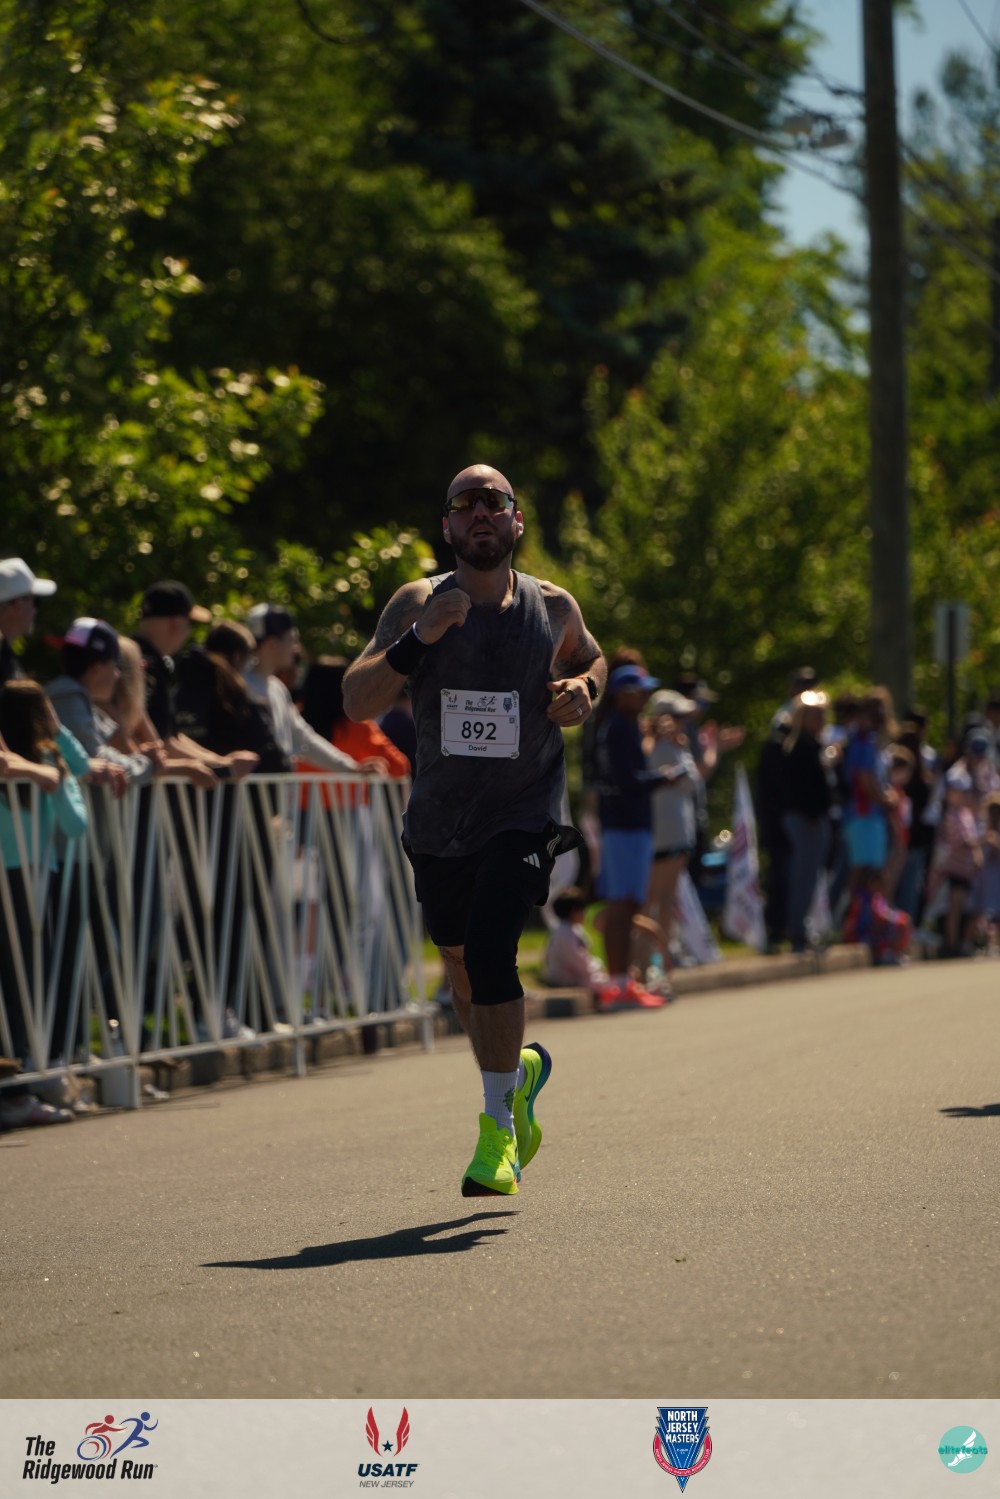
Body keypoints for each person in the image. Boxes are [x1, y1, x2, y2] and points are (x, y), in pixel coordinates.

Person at [343, 462, 606, 1197]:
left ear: (517, 520)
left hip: (524, 812)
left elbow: (592, 659)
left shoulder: (552, 606)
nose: (481, 513)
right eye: (466, 503)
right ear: (448, 526)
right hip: (441, 822)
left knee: (492, 950)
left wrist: (584, 689)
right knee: (460, 966)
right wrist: (419, 638)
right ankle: (517, 1076)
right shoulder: (417, 602)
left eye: (495, 502)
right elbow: (357, 701)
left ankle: (496, 1130)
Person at [593, 664, 674, 1010]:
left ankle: (623, 981)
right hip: (624, 826)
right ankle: (619, 983)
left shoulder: (621, 727)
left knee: (627, 905)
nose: (644, 698)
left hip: (626, 826)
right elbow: (628, 781)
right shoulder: (618, 729)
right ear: (623, 695)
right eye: (640, 692)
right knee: (621, 906)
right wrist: (665, 777)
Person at [643, 689, 699, 965]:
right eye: (678, 716)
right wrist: (681, 749)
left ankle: (657, 958)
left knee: (661, 899)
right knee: (659, 900)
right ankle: (657, 960)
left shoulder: (668, 745)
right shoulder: (662, 747)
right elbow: (692, 783)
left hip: (671, 832)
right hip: (665, 834)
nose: (683, 722)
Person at [780, 691, 833, 952]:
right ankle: (796, 930)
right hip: (804, 820)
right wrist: (813, 816)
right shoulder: (801, 746)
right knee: (804, 875)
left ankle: (802, 926)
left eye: (822, 714)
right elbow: (804, 789)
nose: (821, 719)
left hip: (812, 818)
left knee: (810, 877)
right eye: (815, 715)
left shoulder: (815, 745)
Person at [0, 557, 56, 685]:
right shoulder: (4, 662)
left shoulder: (6, 658)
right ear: (17, 605)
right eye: (36, 602)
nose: (35, 611)